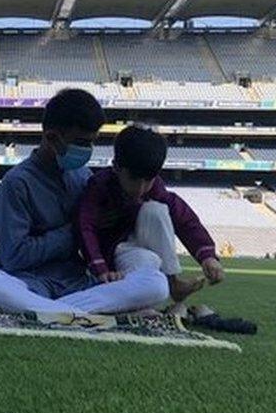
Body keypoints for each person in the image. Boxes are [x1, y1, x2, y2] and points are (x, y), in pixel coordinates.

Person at [0, 89, 170, 315]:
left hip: (79, 284)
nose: (87, 150)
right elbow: (14, 257)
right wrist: (75, 231)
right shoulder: (16, 184)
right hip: (30, 284)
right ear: (52, 138)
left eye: (92, 143)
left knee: (156, 282)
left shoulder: (84, 176)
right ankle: (74, 312)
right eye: (81, 143)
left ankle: (53, 313)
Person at [78, 125, 224, 302]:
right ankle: (148, 295)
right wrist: (102, 270)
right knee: (147, 264)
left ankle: (172, 281)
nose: (140, 189)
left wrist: (207, 257)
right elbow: (86, 229)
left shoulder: (156, 189)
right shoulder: (99, 186)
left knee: (157, 210)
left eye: (148, 180)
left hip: (137, 246)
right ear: (116, 167)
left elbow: (185, 220)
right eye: (133, 180)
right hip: (112, 253)